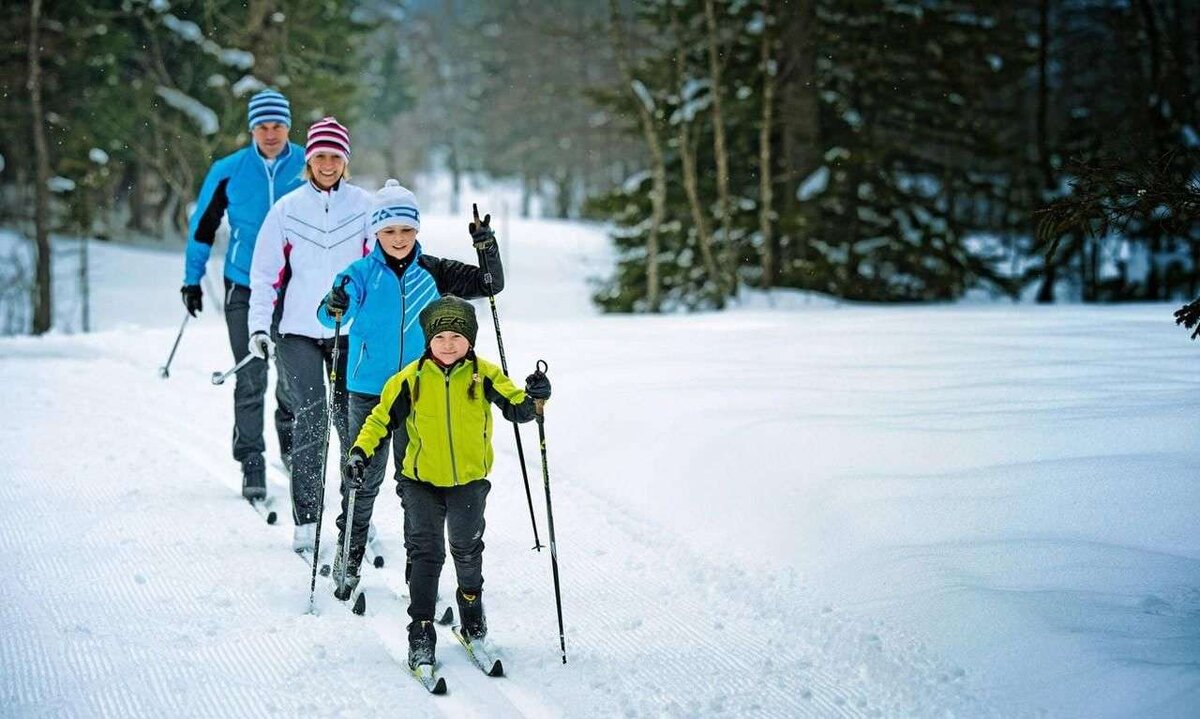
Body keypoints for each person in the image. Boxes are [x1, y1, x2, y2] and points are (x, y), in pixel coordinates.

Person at [343, 295, 551, 671]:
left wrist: (536, 399)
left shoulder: (484, 374)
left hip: (469, 482)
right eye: (441, 337)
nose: (449, 344)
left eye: (457, 336)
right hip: (419, 482)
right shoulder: (409, 380)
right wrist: (360, 451)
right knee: (426, 554)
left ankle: (472, 619)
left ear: (470, 339)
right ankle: (420, 633)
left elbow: (517, 407)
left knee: (467, 550)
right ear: (428, 340)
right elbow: (378, 420)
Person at [316, 181, 504, 595]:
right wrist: (334, 304)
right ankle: (348, 558)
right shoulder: (358, 274)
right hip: (368, 390)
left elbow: (490, 284)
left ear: (416, 230)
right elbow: (325, 314)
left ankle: (417, 575)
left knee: (414, 485)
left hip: (423, 392)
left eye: (406, 230)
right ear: (376, 233)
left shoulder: (434, 270)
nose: (398, 239)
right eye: (388, 231)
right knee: (362, 478)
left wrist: (486, 247)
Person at [247, 117, 373, 552]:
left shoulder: (364, 207)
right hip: (297, 331)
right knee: (313, 417)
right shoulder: (287, 209)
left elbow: (379, 270)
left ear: (345, 161)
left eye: (334, 156)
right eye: (319, 156)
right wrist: (259, 327)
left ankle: (355, 513)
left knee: (350, 422)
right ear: (308, 160)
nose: (326, 163)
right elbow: (265, 276)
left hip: (346, 331)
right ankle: (307, 518)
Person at [180, 89, 305, 499]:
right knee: (251, 376)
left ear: (288, 126)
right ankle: (251, 460)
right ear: (252, 129)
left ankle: (289, 442)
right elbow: (203, 226)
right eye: (262, 126)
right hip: (245, 283)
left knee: (292, 376)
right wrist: (192, 279)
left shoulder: (310, 164)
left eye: (278, 126)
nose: (270, 134)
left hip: (295, 287)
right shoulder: (229, 170)